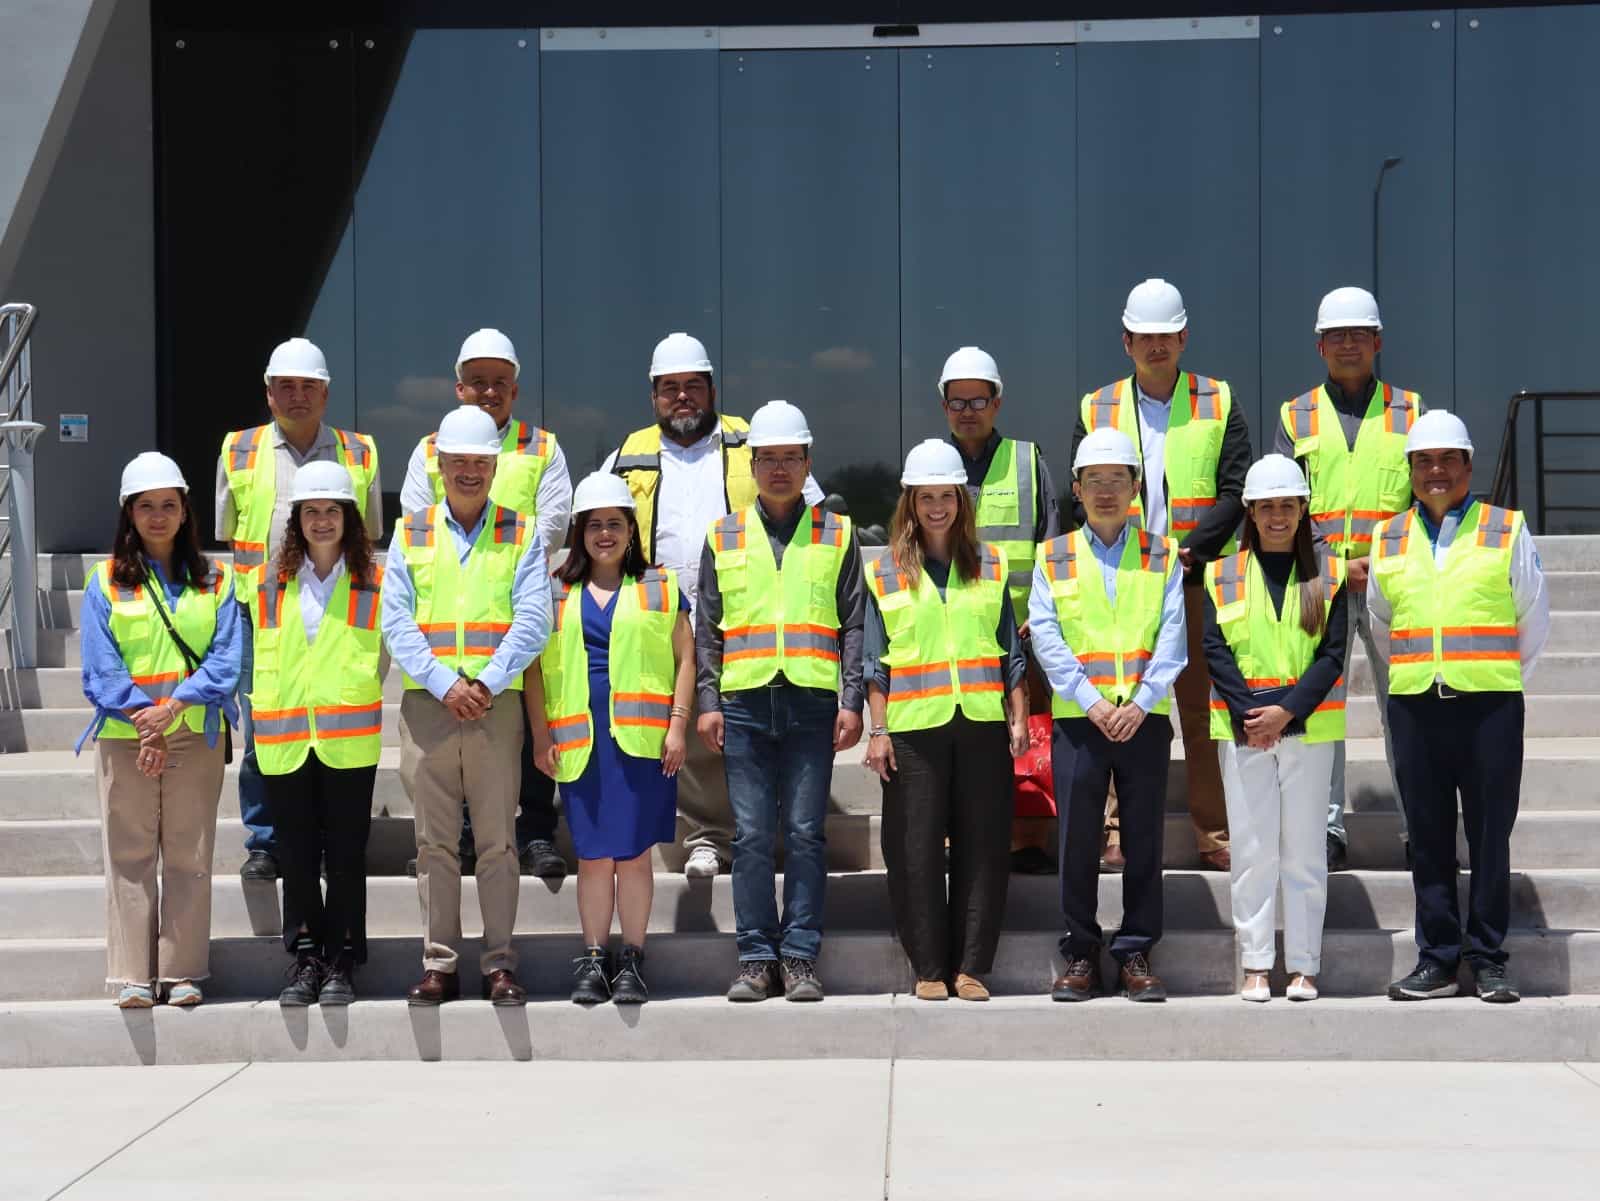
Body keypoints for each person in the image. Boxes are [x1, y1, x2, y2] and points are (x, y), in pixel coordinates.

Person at [604, 332, 822, 880]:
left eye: (693, 386)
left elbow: (812, 514)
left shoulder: (753, 440)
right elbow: (599, 527)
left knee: (739, 724)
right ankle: (705, 835)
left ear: (712, 390)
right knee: (696, 726)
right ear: (653, 395)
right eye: (670, 387)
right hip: (662, 614)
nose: (682, 397)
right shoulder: (627, 455)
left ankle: (747, 830)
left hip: (750, 610)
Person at [1070, 280, 1249, 872]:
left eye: (1166, 336)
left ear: (1184, 338)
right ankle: (1116, 833)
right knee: (1120, 706)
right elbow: (1081, 492)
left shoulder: (1217, 400)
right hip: (1122, 582)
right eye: (1145, 336)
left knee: (1200, 715)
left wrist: (1190, 552)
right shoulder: (1097, 407)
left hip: (1195, 580)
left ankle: (1214, 835)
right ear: (1126, 341)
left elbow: (1236, 490)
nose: (1156, 346)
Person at [1372, 411, 1548, 1004]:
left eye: (1449, 459)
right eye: (1424, 461)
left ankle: (1489, 958)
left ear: (1469, 466)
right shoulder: (1388, 536)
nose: (1437, 471)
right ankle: (1438, 960)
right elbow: (1381, 621)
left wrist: (1496, 680)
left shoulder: (1505, 528)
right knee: (1427, 837)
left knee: (1490, 835)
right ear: (1410, 471)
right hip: (1416, 706)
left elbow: (1533, 617)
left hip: (1489, 706)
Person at [381, 405, 551, 1006]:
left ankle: (500, 963)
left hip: (493, 706)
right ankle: (440, 963)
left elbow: (535, 619)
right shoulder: (410, 532)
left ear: (495, 467)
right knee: (434, 844)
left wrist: (486, 681)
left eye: (481, 462)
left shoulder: (522, 531)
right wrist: (443, 683)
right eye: (460, 462)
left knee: (499, 842)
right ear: (441, 466)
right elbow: (395, 620)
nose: (470, 472)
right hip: (430, 707)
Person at [696, 401, 865, 1003]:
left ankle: (798, 956)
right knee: (749, 835)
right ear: (752, 465)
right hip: (743, 703)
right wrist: (708, 699)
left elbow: (853, 623)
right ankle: (755, 958)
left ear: (807, 463)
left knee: (805, 833)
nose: (778, 469)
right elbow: (708, 627)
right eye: (767, 458)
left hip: (811, 701)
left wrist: (852, 698)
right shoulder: (723, 535)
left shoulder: (837, 533)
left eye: (790, 458)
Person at [400, 328, 573, 880]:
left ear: (515, 389)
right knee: (458, 746)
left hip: (521, 603)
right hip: (447, 612)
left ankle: (535, 831)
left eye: (500, 382)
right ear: (459, 388)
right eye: (478, 381)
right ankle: (463, 835)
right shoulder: (430, 450)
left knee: (528, 727)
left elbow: (553, 524)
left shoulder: (542, 447)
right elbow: (417, 522)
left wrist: (505, 562)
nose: (489, 391)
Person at [864, 439, 1029, 1002]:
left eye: (947, 496)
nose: (937, 507)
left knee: (984, 848)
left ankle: (972, 968)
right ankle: (929, 967)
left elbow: (1011, 651)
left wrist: (1018, 717)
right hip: (913, 730)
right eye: (926, 497)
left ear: (962, 501)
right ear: (910, 503)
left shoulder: (991, 564)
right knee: (914, 851)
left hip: (981, 724)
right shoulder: (885, 572)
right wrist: (878, 732)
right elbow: (875, 663)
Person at [78, 453, 239, 1008]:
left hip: (193, 733)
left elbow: (226, 660)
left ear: (185, 511)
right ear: (129, 513)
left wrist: (170, 710)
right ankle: (132, 975)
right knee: (130, 855)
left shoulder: (216, 578)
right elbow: (100, 667)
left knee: (189, 854)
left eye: (169, 505)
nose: (158, 515)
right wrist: (145, 722)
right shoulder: (104, 581)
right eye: (146, 506)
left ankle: (182, 972)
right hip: (126, 737)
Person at [217, 338, 380, 883]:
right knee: (264, 731)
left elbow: (368, 533)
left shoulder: (360, 451)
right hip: (261, 615)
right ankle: (266, 841)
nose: (297, 395)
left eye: (308, 386)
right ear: (268, 393)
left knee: (335, 728)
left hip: (336, 607)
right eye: (285, 386)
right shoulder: (238, 449)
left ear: (326, 393)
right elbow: (228, 533)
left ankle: (327, 838)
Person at [527, 472, 694, 1006]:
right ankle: (595, 959)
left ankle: (633, 961)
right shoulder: (553, 588)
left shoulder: (660, 585)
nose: (605, 534)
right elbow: (534, 671)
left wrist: (678, 724)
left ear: (631, 530)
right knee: (594, 857)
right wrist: (540, 737)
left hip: (642, 744)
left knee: (634, 856)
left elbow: (685, 658)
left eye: (615, 524)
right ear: (579, 532)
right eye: (594, 525)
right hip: (582, 743)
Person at [1273, 288, 1423, 872]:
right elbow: (1284, 505)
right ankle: (1327, 829)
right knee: (1322, 712)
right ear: (1320, 346)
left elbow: (1424, 501)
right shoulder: (1296, 414)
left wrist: (1379, 565)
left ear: (1378, 341)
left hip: (1393, 584)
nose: (1349, 343)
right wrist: (1337, 567)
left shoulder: (1411, 411)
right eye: (1337, 335)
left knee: (1404, 709)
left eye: (1359, 333)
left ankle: (1419, 829)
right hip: (1320, 582)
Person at [1034, 429, 1186, 1002]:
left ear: (1135, 487)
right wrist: (1093, 701)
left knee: (1144, 839)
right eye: (1093, 481)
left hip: (1144, 719)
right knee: (1077, 841)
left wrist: (1141, 702)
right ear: (1076, 489)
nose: (1105, 491)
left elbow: (1173, 636)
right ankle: (1080, 952)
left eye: (1116, 480)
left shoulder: (1162, 554)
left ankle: (1136, 951)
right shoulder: (1053, 556)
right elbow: (1046, 635)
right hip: (1081, 719)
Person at [1204, 455, 1348, 1003]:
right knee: (1253, 852)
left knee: (1305, 853)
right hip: (1245, 731)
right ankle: (1257, 964)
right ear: (1250, 511)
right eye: (1267, 506)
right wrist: (1253, 718)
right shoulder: (1222, 574)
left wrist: (1285, 714)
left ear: (1303, 509)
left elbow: (1333, 655)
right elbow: (1215, 650)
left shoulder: (1329, 574)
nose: (1278, 516)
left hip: (1307, 730)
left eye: (1288, 505)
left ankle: (1305, 967)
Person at [253, 462, 386, 1008]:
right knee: (298, 854)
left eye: (333, 510)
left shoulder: (375, 579)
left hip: (348, 739)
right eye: (312, 511)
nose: (323, 520)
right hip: (285, 738)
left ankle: (342, 960)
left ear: (349, 518)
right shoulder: (269, 580)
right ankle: (307, 957)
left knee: (347, 855)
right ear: (297, 519)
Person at [935, 346, 1063, 874]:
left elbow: (1051, 545)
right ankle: (956, 840)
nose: (968, 411)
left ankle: (1028, 841)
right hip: (955, 635)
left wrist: (1045, 612)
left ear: (997, 403)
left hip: (1023, 634)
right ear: (944, 406)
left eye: (978, 400)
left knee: (1028, 736)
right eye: (958, 402)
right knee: (957, 743)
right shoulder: (931, 465)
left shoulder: (1028, 461)